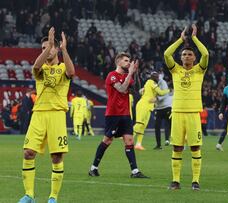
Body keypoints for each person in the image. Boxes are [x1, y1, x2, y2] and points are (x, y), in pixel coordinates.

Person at [19, 27, 75, 203]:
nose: (46, 50)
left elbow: (71, 73)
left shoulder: (63, 68)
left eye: (49, 47)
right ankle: (29, 195)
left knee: (56, 157)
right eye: (43, 48)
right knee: (28, 153)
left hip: (57, 114)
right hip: (39, 114)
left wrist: (64, 50)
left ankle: (53, 197)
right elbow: (35, 66)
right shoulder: (40, 69)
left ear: (57, 49)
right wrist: (50, 43)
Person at [88, 52, 149, 179]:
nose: (128, 63)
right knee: (107, 140)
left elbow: (137, 90)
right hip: (113, 114)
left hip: (125, 114)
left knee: (129, 141)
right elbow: (121, 89)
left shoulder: (128, 75)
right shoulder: (112, 75)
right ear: (118, 62)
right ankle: (93, 168)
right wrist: (130, 74)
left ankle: (135, 171)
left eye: (129, 61)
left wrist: (135, 72)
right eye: (126, 60)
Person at [164, 24, 209, 190]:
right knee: (177, 147)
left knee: (195, 147)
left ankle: (195, 181)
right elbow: (167, 54)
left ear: (194, 58)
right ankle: (175, 181)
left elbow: (206, 53)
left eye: (190, 54)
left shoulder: (199, 71)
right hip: (177, 113)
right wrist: (180, 40)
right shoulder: (175, 70)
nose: (187, 56)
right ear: (181, 58)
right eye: (184, 54)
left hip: (193, 114)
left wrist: (195, 39)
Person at [133, 71, 170, 150]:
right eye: (156, 76)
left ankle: (138, 144)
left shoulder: (149, 84)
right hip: (143, 104)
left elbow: (142, 91)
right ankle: (128, 137)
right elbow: (160, 92)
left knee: (143, 126)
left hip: (148, 106)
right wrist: (168, 91)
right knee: (139, 123)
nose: (157, 78)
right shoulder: (150, 82)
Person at [153, 71, 173, 150]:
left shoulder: (163, 83)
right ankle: (158, 145)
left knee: (171, 126)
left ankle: (174, 142)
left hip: (166, 107)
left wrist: (157, 98)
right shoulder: (153, 83)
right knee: (157, 126)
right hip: (158, 108)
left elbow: (165, 94)